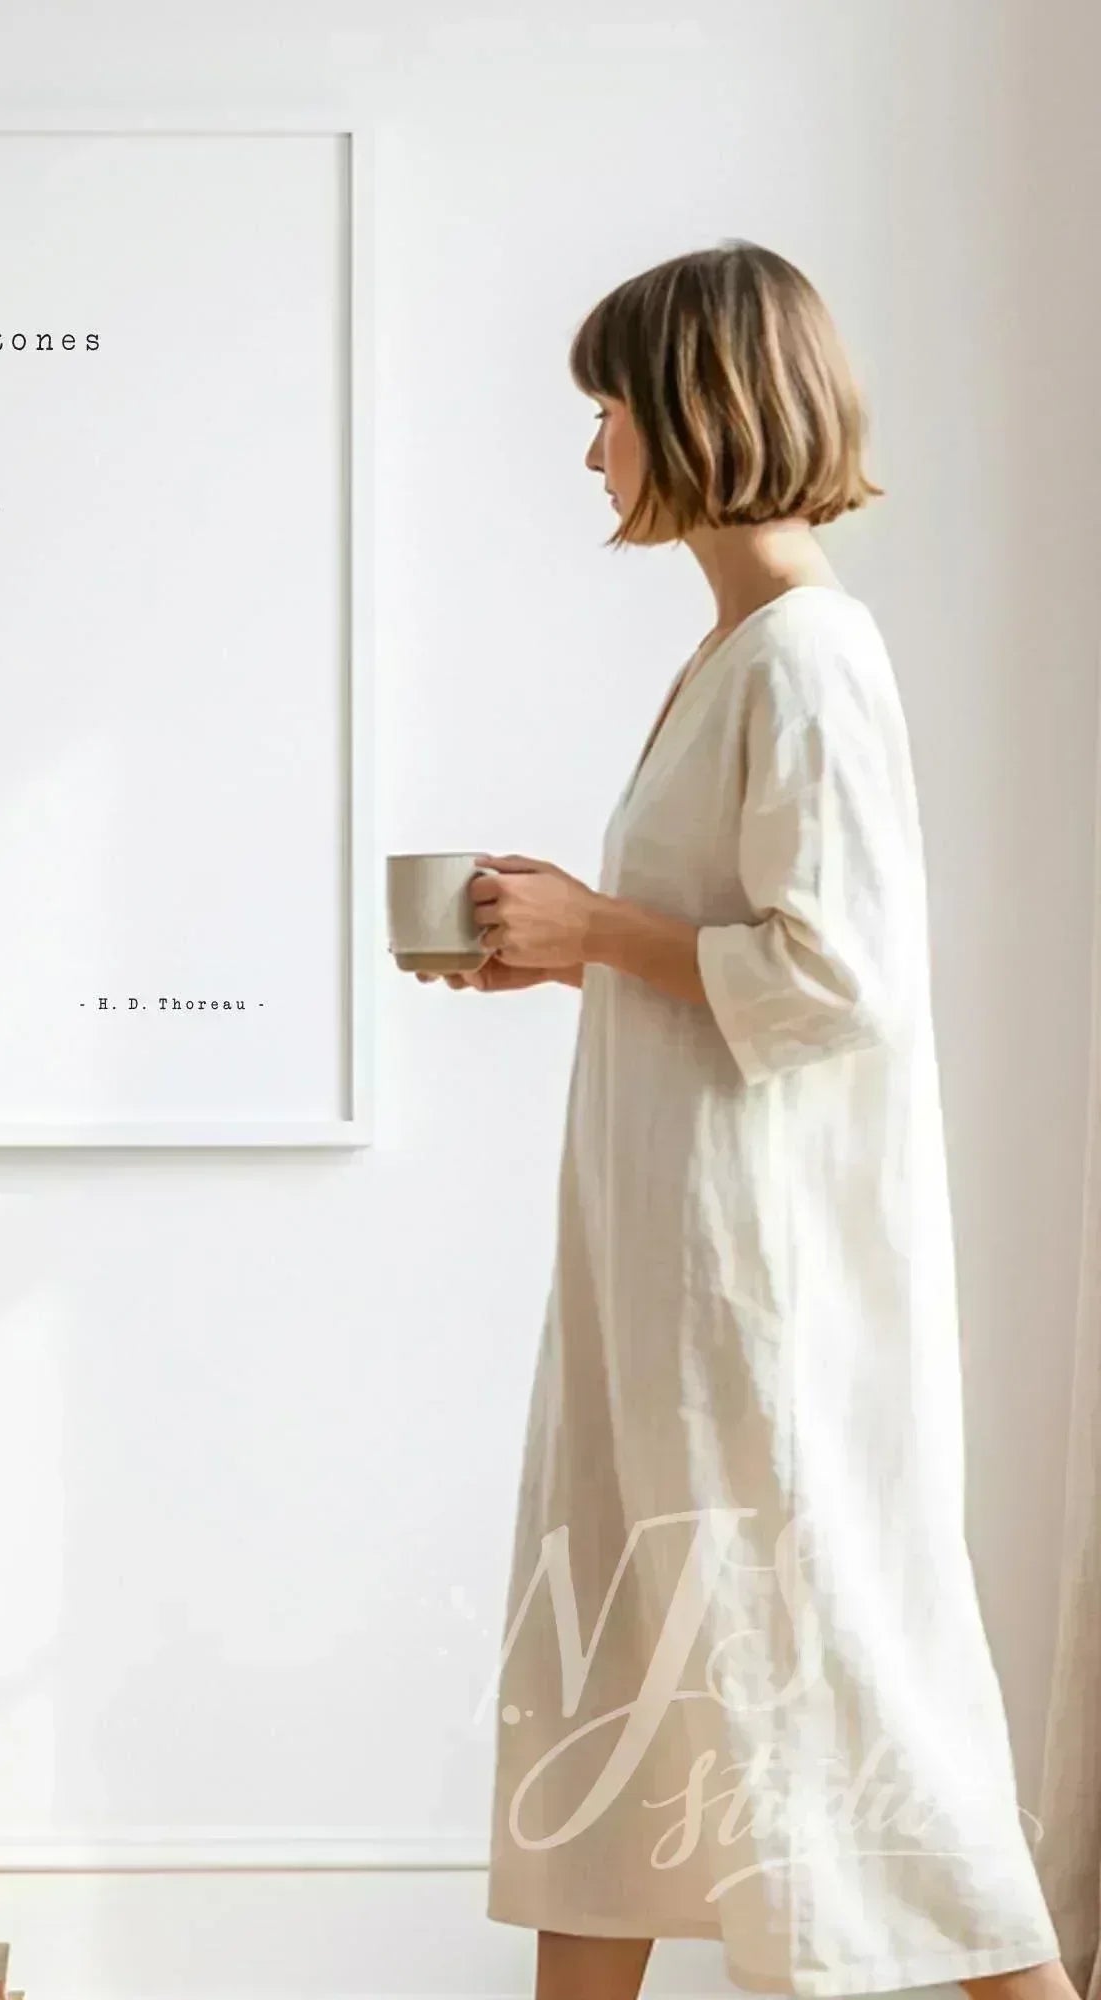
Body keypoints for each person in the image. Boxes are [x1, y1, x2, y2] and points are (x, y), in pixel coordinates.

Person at [430, 241, 1075, 1999]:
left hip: (757, 1288)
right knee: (622, 1680)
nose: (592, 457)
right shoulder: (738, 652)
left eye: (608, 414)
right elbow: (734, 958)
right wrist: (572, 955)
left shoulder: (806, 657)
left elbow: (841, 975)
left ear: (696, 413)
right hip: (667, 1265)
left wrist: (598, 931)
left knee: (845, 1685)